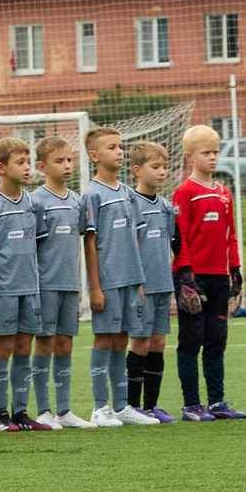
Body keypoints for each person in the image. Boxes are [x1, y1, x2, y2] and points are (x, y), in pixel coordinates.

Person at [170, 125, 246, 420]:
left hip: (219, 276)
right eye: (206, 153)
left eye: (216, 152)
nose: (213, 158)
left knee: (217, 339)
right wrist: (186, 274)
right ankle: (191, 404)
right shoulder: (185, 191)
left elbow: (230, 235)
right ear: (191, 156)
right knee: (192, 339)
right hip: (193, 276)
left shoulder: (224, 192)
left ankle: (217, 401)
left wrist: (235, 270)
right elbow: (181, 236)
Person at [79, 126, 150, 428]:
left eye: (121, 147)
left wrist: (139, 280)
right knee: (104, 339)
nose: (119, 152)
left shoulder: (128, 194)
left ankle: (121, 407)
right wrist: (95, 288)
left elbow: (134, 239)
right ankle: (100, 407)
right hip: (106, 282)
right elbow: (90, 244)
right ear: (94, 156)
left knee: (122, 339)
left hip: (130, 280)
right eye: (112, 147)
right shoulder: (92, 195)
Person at [0, 135, 41, 431]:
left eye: (28, 162)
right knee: (3, 350)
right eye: (21, 163)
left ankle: (21, 412)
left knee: (23, 350)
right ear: (1, 167)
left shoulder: (33, 202)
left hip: (31, 289)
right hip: (4, 290)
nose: (27, 168)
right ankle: (0, 415)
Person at [27, 135, 85, 429]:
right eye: (59, 161)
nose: (66, 166)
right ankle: (43, 410)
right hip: (44, 286)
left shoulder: (77, 200)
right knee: (45, 344)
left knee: (65, 345)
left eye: (69, 160)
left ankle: (64, 410)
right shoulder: (35, 201)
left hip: (70, 285)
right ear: (42, 166)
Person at [124, 140, 178, 421]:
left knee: (158, 343)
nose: (162, 172)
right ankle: (130, 405)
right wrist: (137, 282)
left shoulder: (167, 206)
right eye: (155, 167)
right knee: (140, 343)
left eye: (165, 167)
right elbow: (130, 246)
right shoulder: (131, 204)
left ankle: (151, 405)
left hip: (163, 285)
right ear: (137, 170)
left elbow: (170, 244)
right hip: (142, 288)